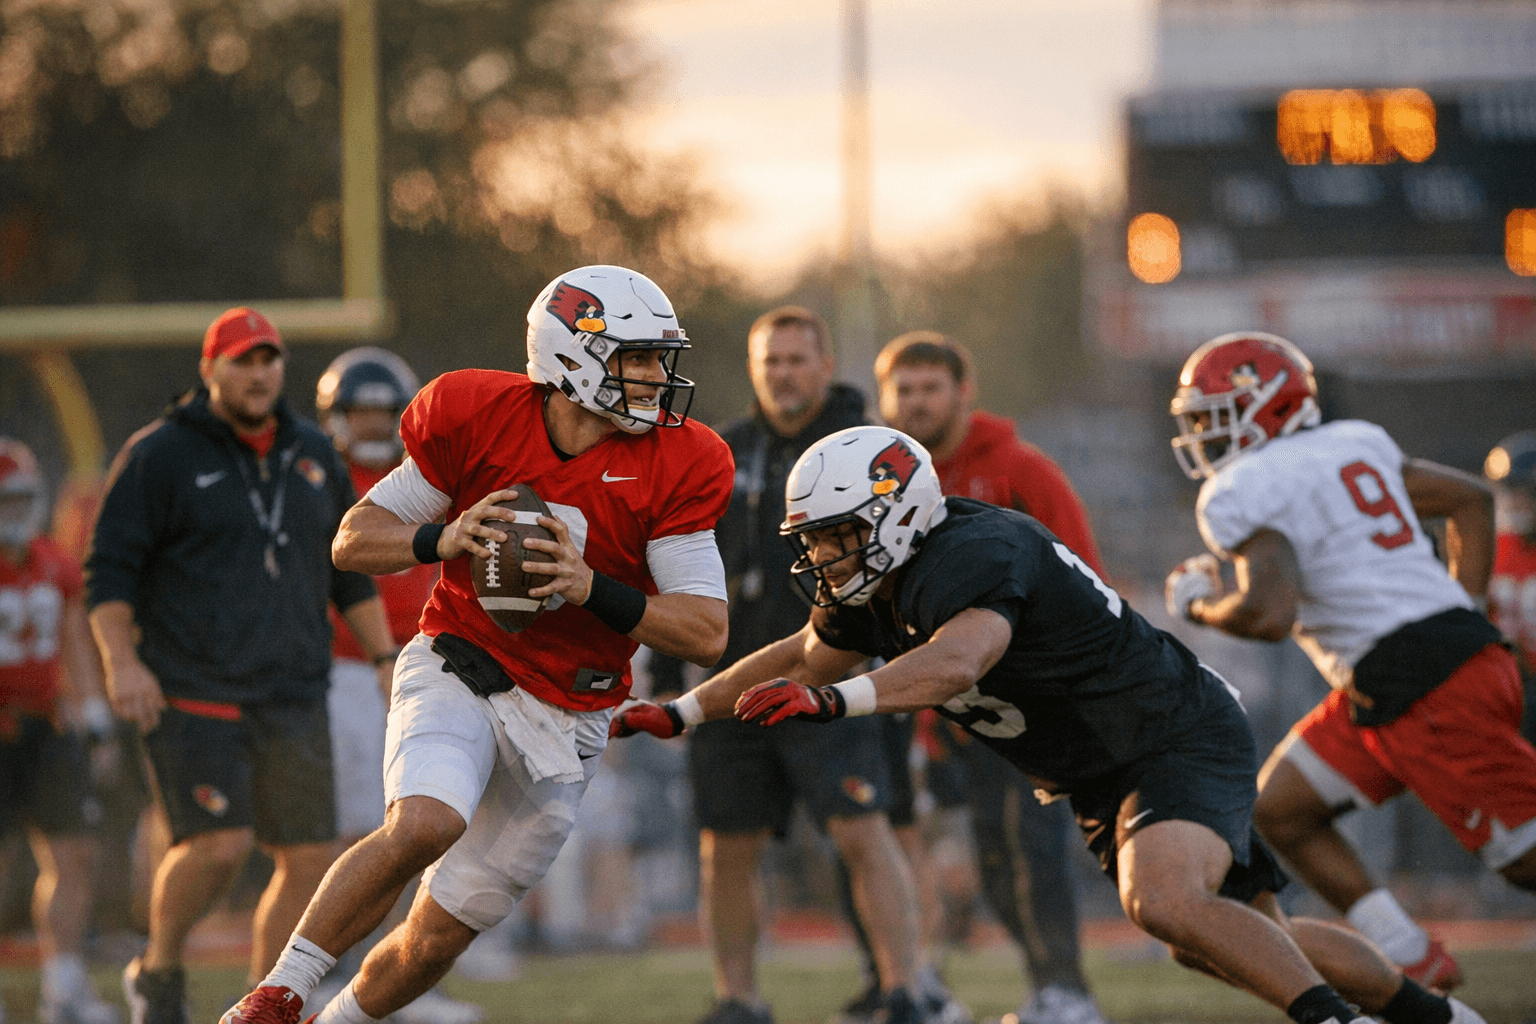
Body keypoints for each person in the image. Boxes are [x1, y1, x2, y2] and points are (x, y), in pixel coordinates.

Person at [614, 423, 1489, 1024]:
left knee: (1165, 901)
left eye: (838, 535)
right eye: (815, 539)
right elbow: (801, 657)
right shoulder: (880, 579)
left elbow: (957, 663)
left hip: (1170, 730)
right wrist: (686, 709)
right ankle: (1435, 1014)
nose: (822, 557)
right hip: (1103, 765)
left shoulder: (976, 552)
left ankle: (1334, 1021)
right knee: (1237, 936)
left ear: (897, 511)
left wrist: (837, 699)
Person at [221, 265, 732, 1024]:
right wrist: (443, 535)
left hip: (572, 713)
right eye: (638, 358)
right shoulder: (476, 412)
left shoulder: (683, 458)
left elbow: (706, 629)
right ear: (572, 357)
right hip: (463, 660)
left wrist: (590, 587)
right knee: (427, 821)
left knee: (435, 938)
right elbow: (354, 539)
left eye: (660, 358)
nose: (658, 378)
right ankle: (276, 996)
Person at [1161, 332, 1536, 989]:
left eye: (1214, 413)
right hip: (1413, 671)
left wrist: (1200, 607)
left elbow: (1268, 614)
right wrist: (1467, 615)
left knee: (1525, 859)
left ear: (1268, 405)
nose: (1203, 431)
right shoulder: (1354, 441)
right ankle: (1411, 955)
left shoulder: (1243, 486)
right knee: (1282, 810)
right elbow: (1471, 502)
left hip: (1421, 684)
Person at [86, 308, 397, 1024]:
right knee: (219, 848)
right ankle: (159, 967)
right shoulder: (159, 454)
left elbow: (348, 573)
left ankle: (263, 1004)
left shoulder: (314, 451)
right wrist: (121, 662)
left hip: (292, 688)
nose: (257, 374)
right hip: (194, 689)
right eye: (241, 361)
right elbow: (108, 572)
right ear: (210, 369)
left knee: (309, 858)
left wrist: (383, 656)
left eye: (268, 360)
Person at [649, 307, 952, 1024]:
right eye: (771, 360)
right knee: (726, 844)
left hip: (836, 672)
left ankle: (906, 989)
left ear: (825, 366)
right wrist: (667, 672)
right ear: (755, 369)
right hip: (732, 677)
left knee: (862, 828)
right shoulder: (721, 450)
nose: (783, 373)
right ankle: (737, 999)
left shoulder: (868, 446)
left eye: (796, 359)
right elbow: (680, 565)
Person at [874, 331, 1107, 1024]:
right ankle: (1046, 987)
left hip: (1031, 697)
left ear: (962, 393)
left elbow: (1083, 571)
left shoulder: (1019, 469)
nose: (917, 403)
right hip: (954, 707)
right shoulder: (889, 481)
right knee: (995, 855)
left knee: (1032, 847)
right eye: (904, 390)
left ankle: (1067, 990)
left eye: (930, 388)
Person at [313, 349, 483, 1024]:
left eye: (387, 412)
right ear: (337, 416)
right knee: (353, 824)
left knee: (417, 822)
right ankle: (334, 970)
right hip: (344, 665)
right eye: (363, 412)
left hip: (426, 662)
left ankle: (401, 979)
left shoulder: (427, 475)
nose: (376, 424)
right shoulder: (322, 478)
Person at [0, 439, 121, 1024]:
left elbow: (74, 639)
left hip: (47, 725)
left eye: (19, 500)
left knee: (72, 855)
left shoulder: (53, 561)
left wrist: (95, 716)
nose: (13, 514)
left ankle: (63, 985)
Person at [1484, 430, 1536, 737]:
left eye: (1521, 490)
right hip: (1509, 684)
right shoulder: (1495, 548)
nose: (1512, 502)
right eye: (1506, 491)